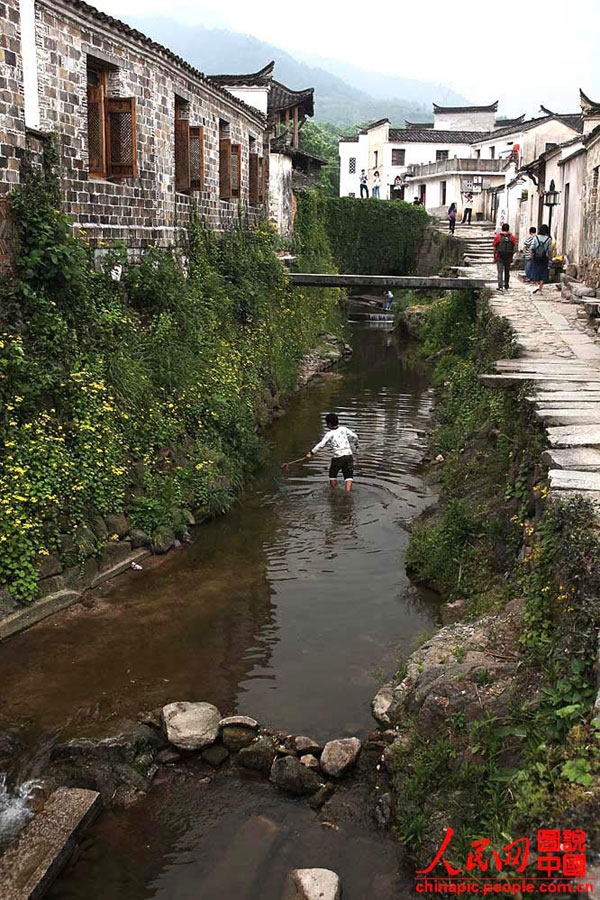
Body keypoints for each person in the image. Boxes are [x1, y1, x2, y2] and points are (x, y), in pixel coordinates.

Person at [306, 412, 358, 493]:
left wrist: (311, 453)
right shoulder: (344, 429)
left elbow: (321, 445)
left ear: (329, 424)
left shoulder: (329, 434)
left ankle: (333, 492)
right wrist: (356, 445)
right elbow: (355, 436)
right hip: (348, 455)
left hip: (338, 457)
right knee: (348, 476)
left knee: (332, 476)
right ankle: (348, 493)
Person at [529, 223, 552, 294]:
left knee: (535, 271)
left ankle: (536, 285)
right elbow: (549, 250)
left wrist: (531, 256)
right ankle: (540, 288)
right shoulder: (548, 239)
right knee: (543, 272)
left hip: (536, 257)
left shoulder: (535, 238)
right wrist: (550, 258)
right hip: (544, 257)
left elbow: (532, 248)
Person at [492, 223, 516, 292]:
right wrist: (511, 256)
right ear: (508, 229)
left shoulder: (498, 237)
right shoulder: (512, 237)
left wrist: (494, 257)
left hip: (499, 256)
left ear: (502, 229)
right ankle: (506, 285)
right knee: (507, 271)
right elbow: (513, 247)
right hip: (508, 257)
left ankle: (500, 286)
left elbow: (495, 247)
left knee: (500, 272)